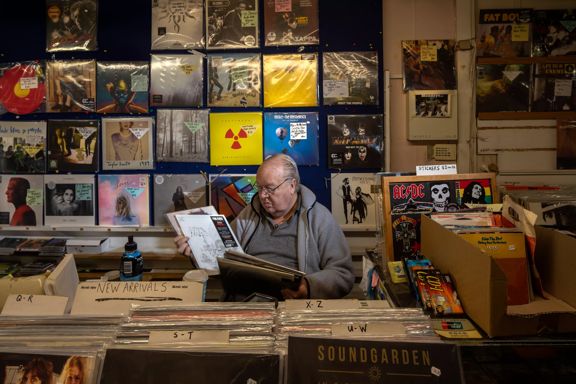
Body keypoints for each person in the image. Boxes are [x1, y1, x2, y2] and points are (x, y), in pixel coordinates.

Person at [175, 154, 355, 300]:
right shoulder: (249, 214)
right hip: (244, 305)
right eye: (259, 188)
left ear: (292, 186)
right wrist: (197, 251)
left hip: (293, 310)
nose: (262, 196)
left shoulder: (319, 218)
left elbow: (343, 274)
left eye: (270, 188)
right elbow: (221, 259)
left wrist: (308, 287)